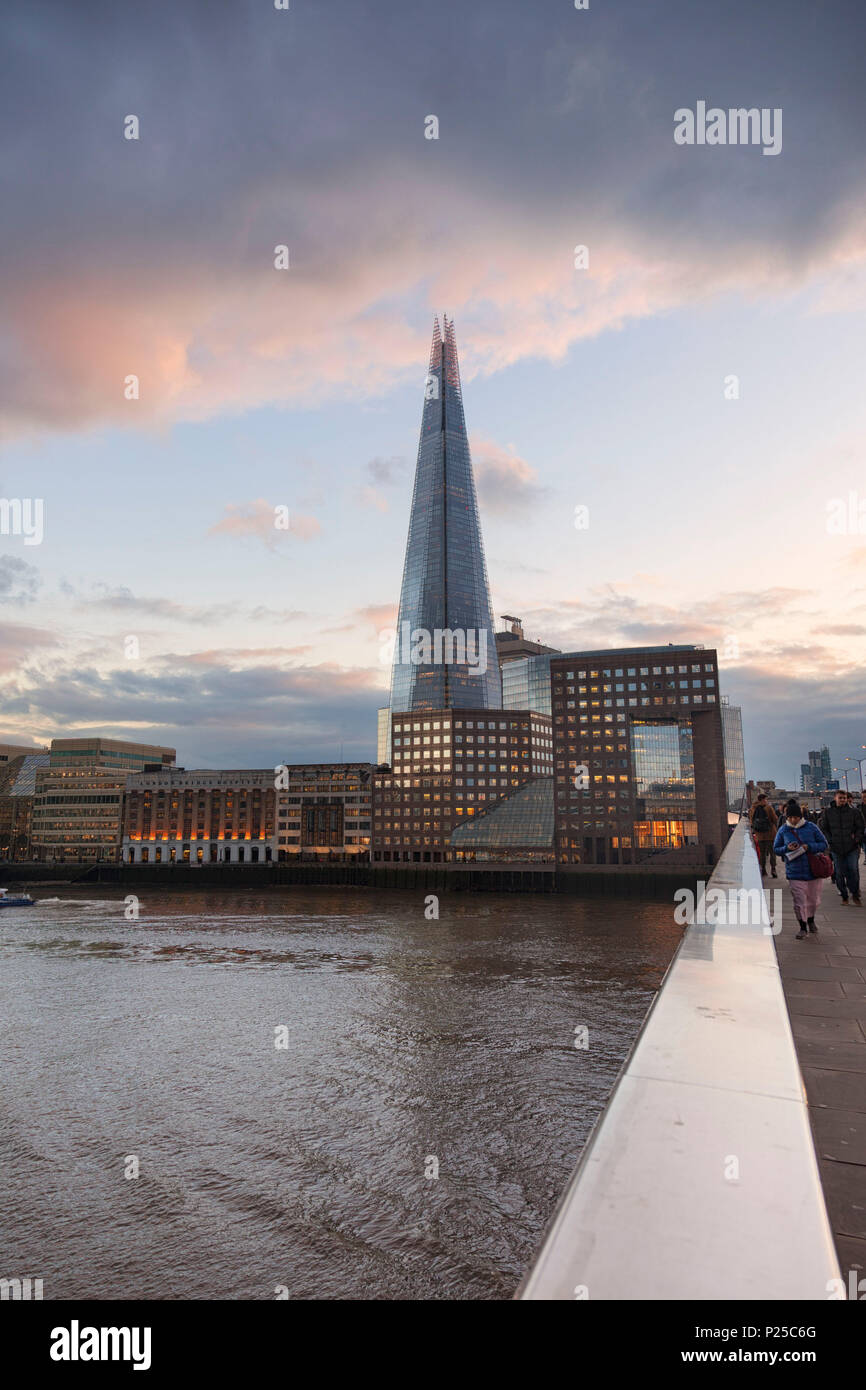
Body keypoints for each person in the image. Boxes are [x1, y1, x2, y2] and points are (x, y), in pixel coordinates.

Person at [773, 800, 831, 938]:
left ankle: (811, 920)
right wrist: (787, 848)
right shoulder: (783, 830)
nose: (793, 820)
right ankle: (802, 927)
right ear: (786, 817)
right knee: (799, 901)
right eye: (790, 817)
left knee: (814, 900)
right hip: (794, 871)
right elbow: (776, 849)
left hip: (813, 870)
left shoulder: (811, 827)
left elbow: (824, 844)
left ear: (801, 816)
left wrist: (808, 846)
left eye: (796, 817)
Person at [819, 789, 865, 905]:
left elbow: (861, 827)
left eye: (844, 798)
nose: (843, 800)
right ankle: (844, 895)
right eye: (840, 798)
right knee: (839, 872)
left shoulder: (854, 812)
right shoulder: (828, 812)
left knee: (853, 870)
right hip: (836, 847)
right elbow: (824, 828)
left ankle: (855, 894)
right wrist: (830, 840)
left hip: (852, 847)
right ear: (835, 798)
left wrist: (857, 839)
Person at [749, 793, 778, 877]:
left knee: (762, 853)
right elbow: (775, 819)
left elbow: (751, 821)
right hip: (770, 834)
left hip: (759, 835)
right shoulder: (768, 808)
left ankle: (763, 869)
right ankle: (773, 869)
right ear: (762, 799)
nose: (766, 801)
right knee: (772, 853)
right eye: (766, 799)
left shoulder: (752, 809)